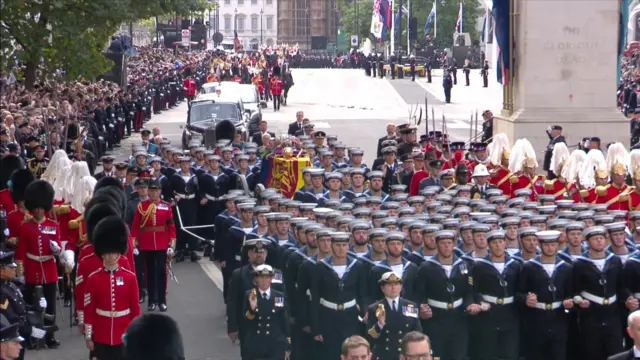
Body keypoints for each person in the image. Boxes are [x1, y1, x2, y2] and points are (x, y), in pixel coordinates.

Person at [83, 216, 141, 360]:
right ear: (102, 253)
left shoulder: (130, 277)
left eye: (113, 252)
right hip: (102, 335)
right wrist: (89, 336)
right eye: (107, 252)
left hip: (123, 333)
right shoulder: (93, 278)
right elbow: (89, 310)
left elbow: (135, 308)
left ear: (120, 252)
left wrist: (136, 333)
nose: (110, 256)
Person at [14, 180, 60, 348]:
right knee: (32, 308)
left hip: (49, 269)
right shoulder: (26, 227)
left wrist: (56, 249)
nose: (39, 211)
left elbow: (58, 249)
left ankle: (50, 337)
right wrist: (20, 274)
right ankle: (33, 338)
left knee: (50, 307)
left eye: (42, 208)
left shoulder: (53, 226)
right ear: (32, 208)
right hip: (33, 270)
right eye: (36, 208)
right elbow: (20, 254)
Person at [130, 178, 177, 312]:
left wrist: (171, 243)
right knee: (149, 272)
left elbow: (171, 226)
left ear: (160, 191)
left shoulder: (166, 206)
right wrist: (134, 244)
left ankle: (162, 300)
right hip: (147, 243)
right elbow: (135, 227)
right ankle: (152, 300)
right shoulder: (141, 207)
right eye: (151, 190)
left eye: (156, 190)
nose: (154, 193)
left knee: (162, 272)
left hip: (162, 243)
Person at [366, 271, 422, 360]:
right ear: (382, 288)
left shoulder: (410, 306)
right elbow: (369, 337)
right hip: (384, 356)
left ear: (401, 287)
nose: (393, 287)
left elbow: (418, 332)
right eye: (389, 285)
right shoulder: (374, 308)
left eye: (396, 284)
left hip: (405, 355)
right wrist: (380, 324)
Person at [242, 264, 290, 360]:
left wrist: (287, 346)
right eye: (261, 277)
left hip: (275, 344)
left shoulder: (279, 296)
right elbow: (245, 322)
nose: (264, 281)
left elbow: (284, 322)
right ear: (256, 279)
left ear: (271, 279)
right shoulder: (250, 295)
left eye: (267, 277)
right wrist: (252, 309)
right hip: (255, 344)